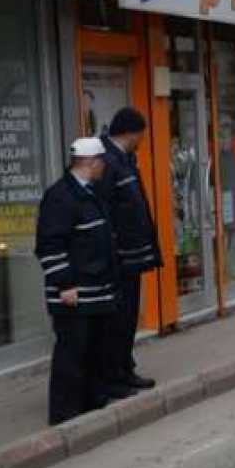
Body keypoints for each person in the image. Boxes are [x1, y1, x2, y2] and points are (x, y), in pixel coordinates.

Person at [35, 138, 118, 425]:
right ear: (90, 162)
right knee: (72, 354)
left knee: (93, 351)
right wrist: (64, 284)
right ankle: (65, 415)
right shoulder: (61, 197)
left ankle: (91, 406)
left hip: (95, 289)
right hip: (75, 292)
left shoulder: (89, 192)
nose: (104, 166)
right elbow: (49, 245)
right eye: (101, 161)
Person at [96, 108, 162, 394]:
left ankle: (125, 369)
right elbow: (104, 211)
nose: (142, 140)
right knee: (118, 319)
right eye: (141, 134)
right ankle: (114, 377)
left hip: (130, 257)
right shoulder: (108, 162)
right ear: (131, 133)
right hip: (118, 259)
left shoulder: (123, 160)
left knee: (128, 316)